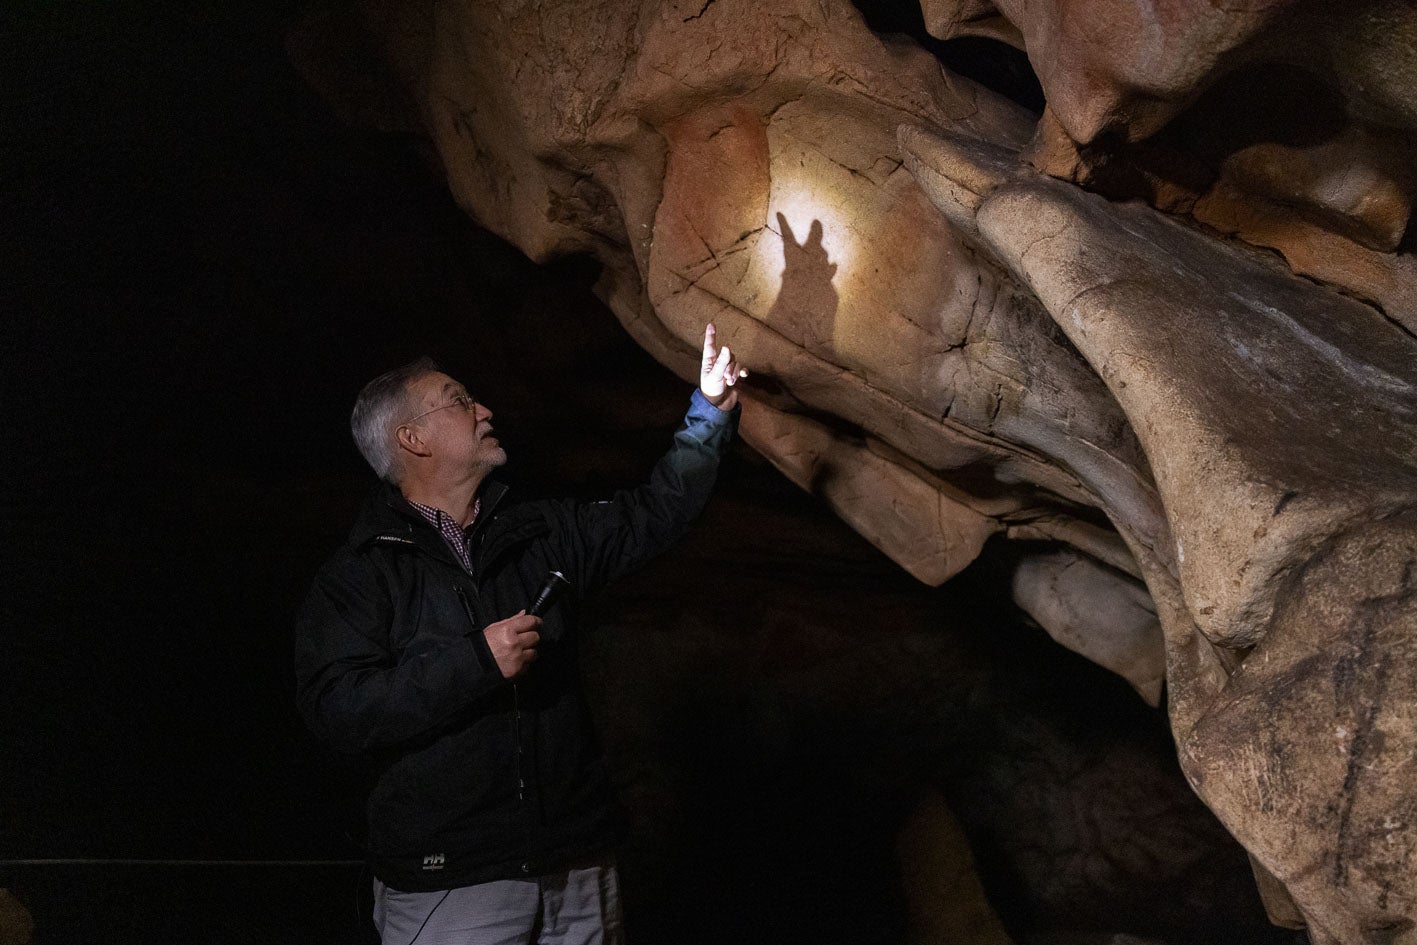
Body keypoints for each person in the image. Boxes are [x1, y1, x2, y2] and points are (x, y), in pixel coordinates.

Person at [295, 325, 745, 945]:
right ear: (412, 438)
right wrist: (478, 661)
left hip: (577, 867)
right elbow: (338, 710)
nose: (484, 410)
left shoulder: (540, 532)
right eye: (459, 400)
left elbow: (655, 513)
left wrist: (710, 412)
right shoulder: (362, 573)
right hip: (451, 881)